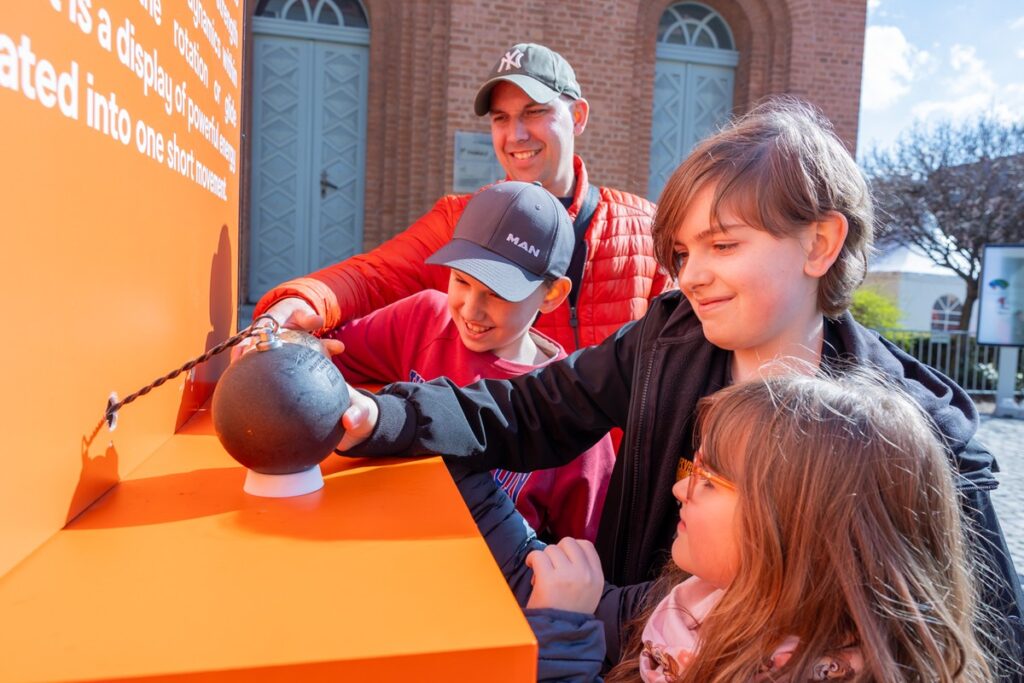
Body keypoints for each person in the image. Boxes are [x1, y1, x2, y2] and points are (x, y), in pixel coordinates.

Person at [335, 97, 1024, 668]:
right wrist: (384, 415)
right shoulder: (667, 339)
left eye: (723, 245)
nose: (691, 275)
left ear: (819, 243)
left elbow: (986, 629)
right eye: (683, 252)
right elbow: (533, 410)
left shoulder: (913, 431)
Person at [451, 372, 1001, 681]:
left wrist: (561, 632)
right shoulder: (703, 603)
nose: (680, 489)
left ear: (795, 520)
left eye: (710, 480)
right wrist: (447, 445)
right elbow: (526, 571)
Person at [250, 42, 672, 353]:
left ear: (577, 116)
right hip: (505, 450)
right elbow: (373, 276)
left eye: (534, 112)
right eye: (501, 118)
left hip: (620, 452)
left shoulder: (643, 227)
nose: (516, 135)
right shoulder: (462, 219)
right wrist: (300, 301)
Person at [325, 181, 614, 541]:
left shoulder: (574, 410)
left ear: (552, 293)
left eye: (497, 293)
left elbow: (586, 549)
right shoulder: (423, 319)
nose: (471, 310)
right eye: (461, 280)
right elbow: (327, 358)